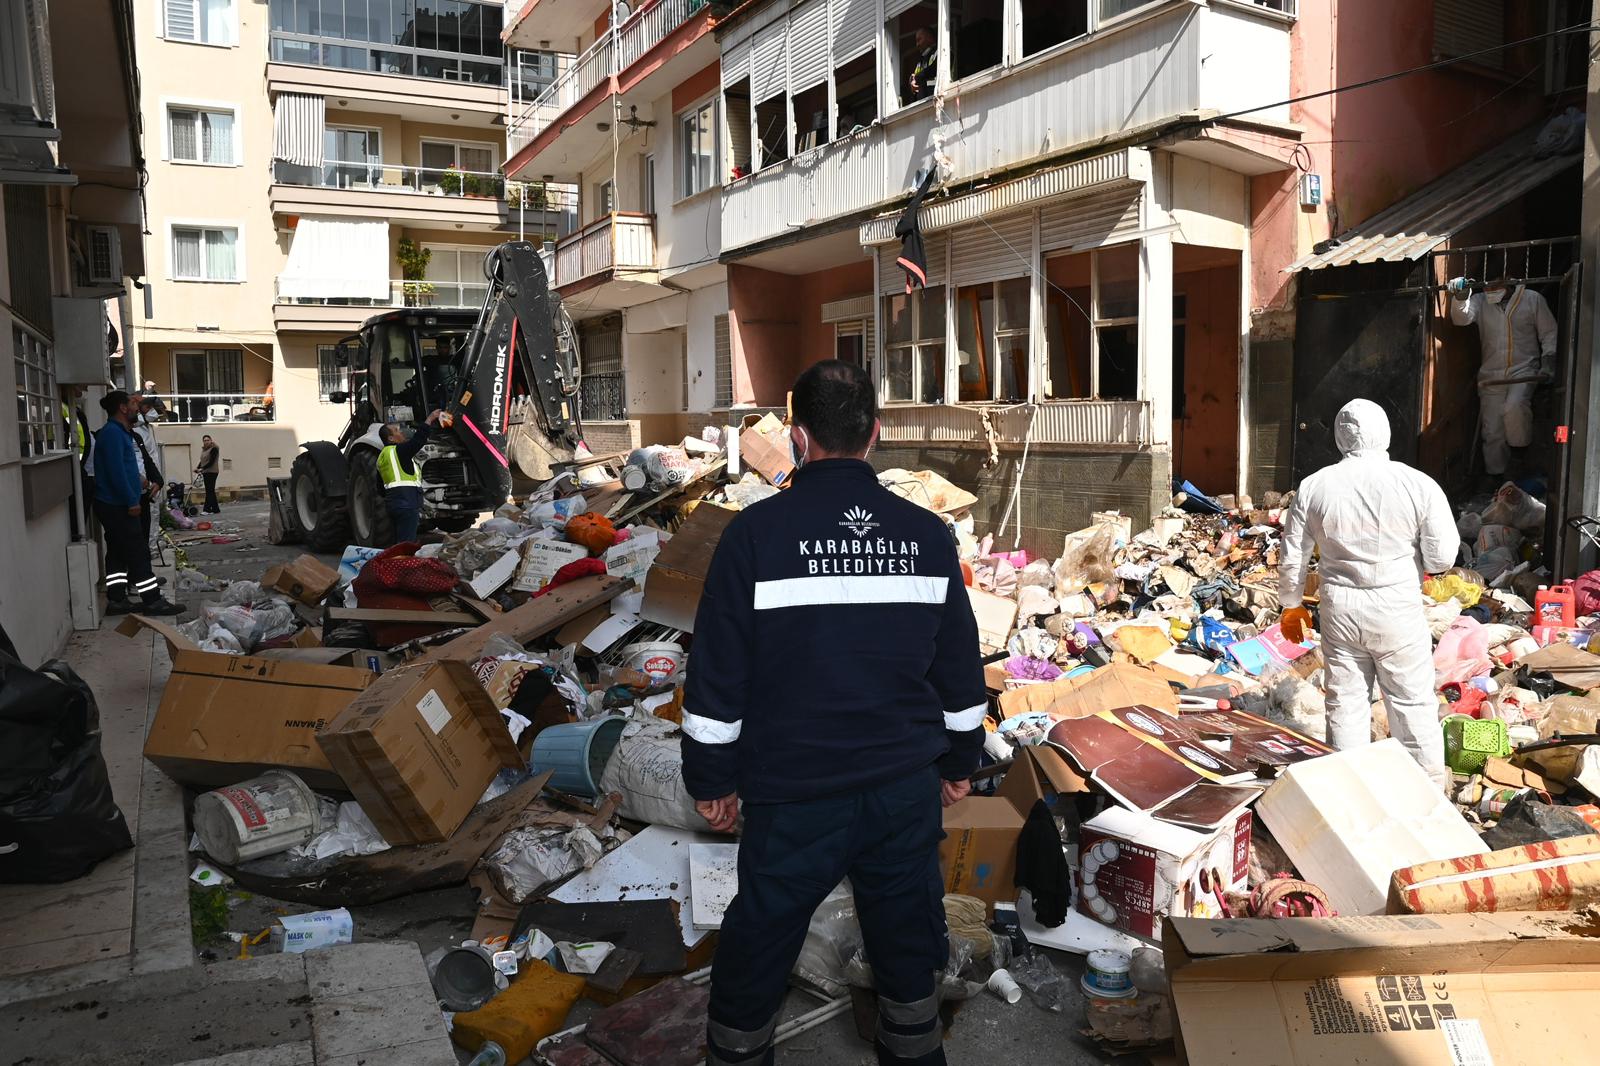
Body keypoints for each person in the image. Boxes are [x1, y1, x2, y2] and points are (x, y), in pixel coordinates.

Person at [684, 360, 985, 1066]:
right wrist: (960, 764)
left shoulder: (754, 535)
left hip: (793, 794)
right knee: (910, 945)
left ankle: (736, 1054)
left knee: (759, 941)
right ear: (874, 434)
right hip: (901, 792)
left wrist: (711, 780)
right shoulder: (926, 535)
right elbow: (960, 674)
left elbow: (717, 677)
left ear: (797, 437)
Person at [1278, 399, 1459, 788]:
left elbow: (1293, 556)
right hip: (1396, 609)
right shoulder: (1417, 483)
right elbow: (1442, 557)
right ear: (1385, 431)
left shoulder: (1314, 485)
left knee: (1345, 704)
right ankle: (1425, 797)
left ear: (1340, 436)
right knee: (1411, 704)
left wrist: (1291, 607)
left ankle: (1350, 797)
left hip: (1340, 610)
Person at [1448, 276, 1557, 483]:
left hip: (1524, 370)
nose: (1490, 289)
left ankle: (1518, 457)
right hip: (1491, 374)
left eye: (1496, 285)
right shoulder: (1480, 301)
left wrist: (1548, 363)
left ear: (1509, 283)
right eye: (1487, 285)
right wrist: (1460, 297)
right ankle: (1496, 477)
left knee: (1514, 407)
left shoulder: (1531, 299)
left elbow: (1549, 333)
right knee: (1492, 429)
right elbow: (1460, 319)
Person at [93, 391, 183, 616]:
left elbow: (126, 468)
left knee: (116, 552)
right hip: (118, 505)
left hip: (113, 502)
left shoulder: (120, 433)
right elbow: (116, 473)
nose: (138, 407)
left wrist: (143, 481)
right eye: (134, 403)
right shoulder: (113, 434)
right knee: (138, 552)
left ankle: (117, 599)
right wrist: (131, 501)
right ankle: (152, 600)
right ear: (123, 408)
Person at [378, 411, 442, 544]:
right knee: (406, 544)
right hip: (407, 504)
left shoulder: (383, 456)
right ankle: (404, 563)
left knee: (397, 543)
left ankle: (395, 563)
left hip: (393, 504)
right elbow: (418, 441)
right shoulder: (399, 451)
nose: (401, 432)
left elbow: (379, 487)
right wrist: (429, 419)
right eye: (396, 431)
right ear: (391, 439)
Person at [907, 26, 936, 102]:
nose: (917, 44)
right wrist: (912, 81)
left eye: (919, 40)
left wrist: (916, 78)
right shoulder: (921, 61)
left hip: (939, 99)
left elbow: (934, 69)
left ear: (930, 38)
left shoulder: (942, 51)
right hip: (923, 103)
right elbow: (916, 76)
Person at [195, 434, 221, 514]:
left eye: (207, 440)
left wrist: (202, 468)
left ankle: (207, 509)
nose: (206, 442)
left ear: (211, 440)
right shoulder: (204, 450)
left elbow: (211, 461)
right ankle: (215, 509)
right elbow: (202, 461)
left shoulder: (214, 449)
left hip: (212, 472)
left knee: (209, 490)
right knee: (210, 491)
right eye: (204, 440)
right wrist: (198, 467)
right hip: (206, 472)